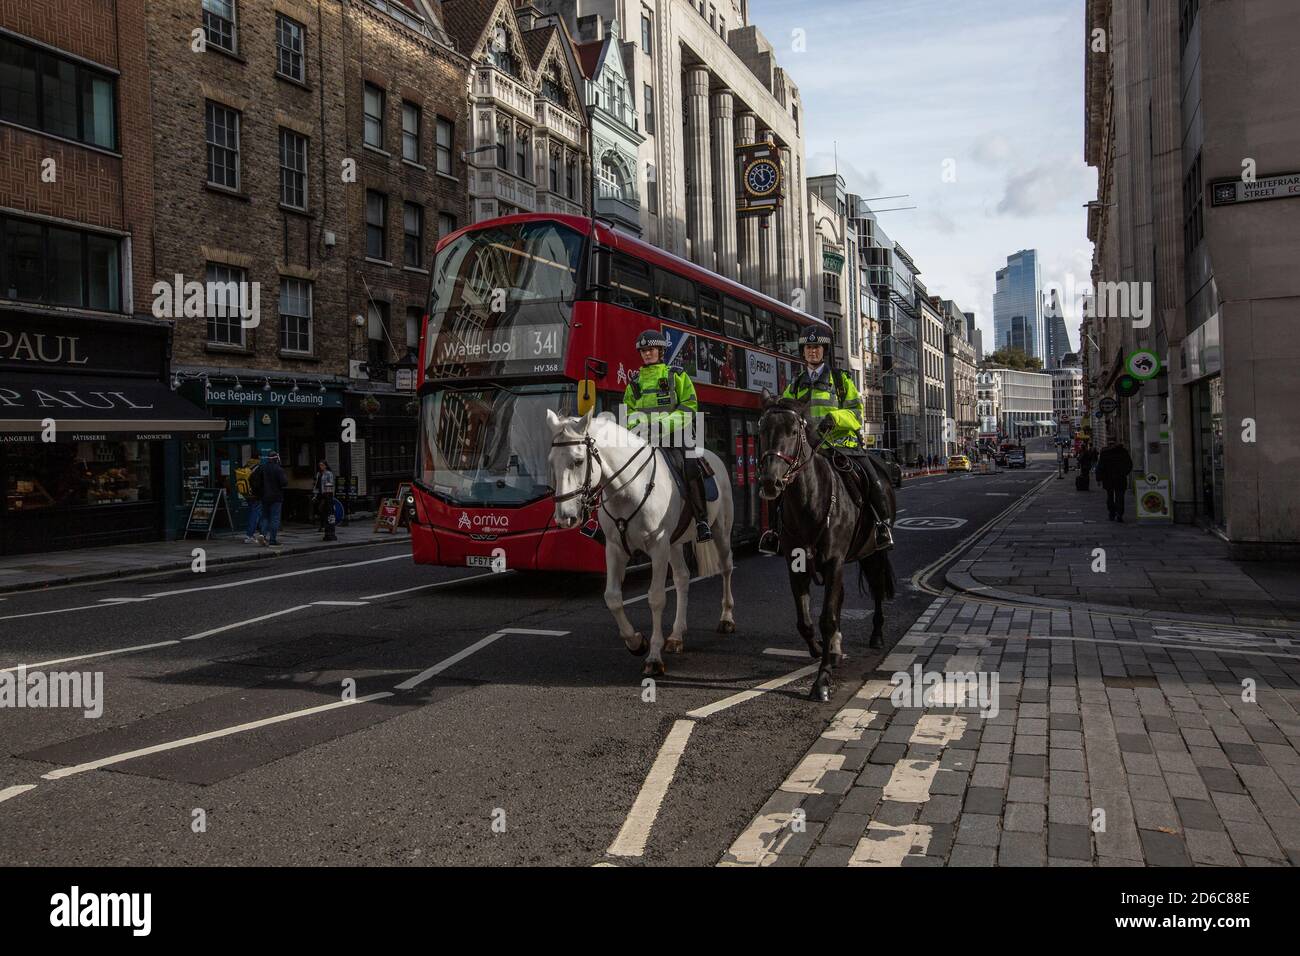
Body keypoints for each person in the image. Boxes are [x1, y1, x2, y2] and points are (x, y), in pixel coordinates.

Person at [759, 327, 893, 554]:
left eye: (816, 348)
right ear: (803, 353)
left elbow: (857, 415)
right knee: (777, 482)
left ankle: (882, 526)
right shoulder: (795, 385)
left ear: (824, 351)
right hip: (809, 450)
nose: (812, 352)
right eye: (808, 348)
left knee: (873, 479)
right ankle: (774, 532)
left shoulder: (841, 381)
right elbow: (786, 420)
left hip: (842, 446)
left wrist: (835, 418)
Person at [623, 329, 712, 542]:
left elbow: (689, 406)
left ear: (661, 351)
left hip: (676, 436)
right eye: (643, 351)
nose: (647, 354)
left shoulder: (676, 375)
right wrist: (642, 426)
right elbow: (628, 412)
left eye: (651, 349)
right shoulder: (634, 382)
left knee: (691, 466)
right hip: (644, 437)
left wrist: (662, 425)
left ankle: (702, 521)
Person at [256, 450, 289, 546]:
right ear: (276, 459)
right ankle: (273, 540)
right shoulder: (278, 469)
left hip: (265, 496)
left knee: (265, 517)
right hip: (276, 497)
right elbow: (284, 482)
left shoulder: (263, 468)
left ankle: (263, 535)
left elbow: (257, 481)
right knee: (275, 518)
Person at [1096, 440, 1134, 521]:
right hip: (1120, 478)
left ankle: (1112, 513)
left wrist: (1099, 479)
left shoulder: (1105, 453)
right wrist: (1124, 473)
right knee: (1120, 496)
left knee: (1110, 496)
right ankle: (1119, 513)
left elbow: (1100, 467)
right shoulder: (1123, 452)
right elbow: (1129, 464)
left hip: (1108, 479)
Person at [239, 453, 263, 544]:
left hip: (247, 494)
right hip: (256, 496)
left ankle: (261, 534)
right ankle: (249, 535)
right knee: (255, 514)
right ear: (259, 458)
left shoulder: (247, 465)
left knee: (256, 513)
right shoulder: (258, 467)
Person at [312, 459, 335, 531]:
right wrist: (315, 495)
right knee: (320, 510)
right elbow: (316, 484)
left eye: (322, 465)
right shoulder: (318, 473)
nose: (321, 466)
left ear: (325, 466)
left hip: (326, 494)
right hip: (319, 494)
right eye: (320, 465)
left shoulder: (329, 473)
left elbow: (331, 483)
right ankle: (322, 525)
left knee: (322, 508)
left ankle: (324, 525)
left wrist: (329, 493)